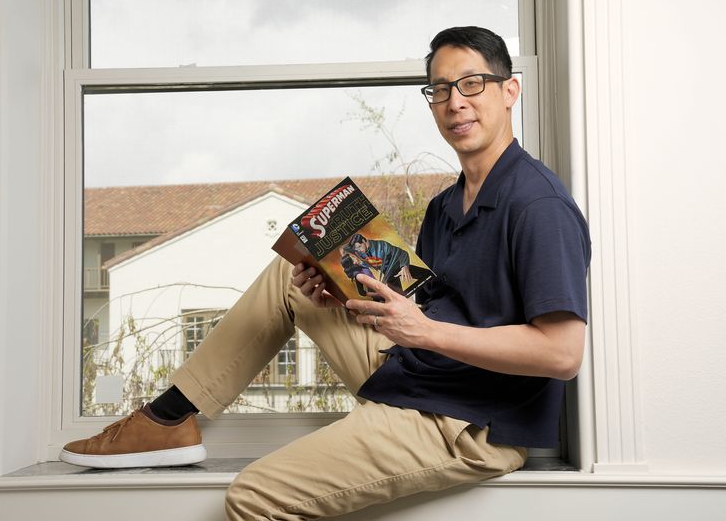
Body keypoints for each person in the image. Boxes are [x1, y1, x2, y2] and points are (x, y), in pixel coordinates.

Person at [60, 26, 591, 520]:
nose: (456, 101)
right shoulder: (446, 205)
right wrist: (342, 294)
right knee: (288, 278)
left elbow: (562, 355)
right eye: (440, 88)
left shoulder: (537, 205)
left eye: (472, 84)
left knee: (251, 497)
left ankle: (169, 423)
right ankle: (168, 419)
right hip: (425, 373)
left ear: (510, 91)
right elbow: (424, 306)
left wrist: (423, 330)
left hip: (471, 422)